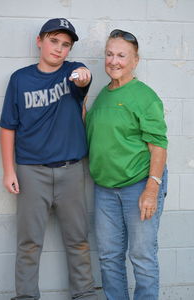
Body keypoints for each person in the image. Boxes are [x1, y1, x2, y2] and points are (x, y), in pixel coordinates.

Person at [0, 18, 98, 300]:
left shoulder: (73, 73)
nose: (59, 49)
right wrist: (9, 171)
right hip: (31, 171)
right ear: (40, 41)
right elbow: (8, 127)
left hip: (71, 170)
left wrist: (84, 78)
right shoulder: (20, 79)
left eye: (65, 45)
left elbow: (84, 79)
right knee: (29, 243)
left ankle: (85, 294)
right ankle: (27, 296)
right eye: (54, 41)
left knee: (78, 239)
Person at [86, 29, 168, 300]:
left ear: (135, 60)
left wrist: (152, 189)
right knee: (109, 257)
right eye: (109, 54)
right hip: (105, 189)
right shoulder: (103, 95)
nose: (114, 61)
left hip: (139, 185)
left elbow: (158, 146)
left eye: (122, 55)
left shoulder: (144, 96)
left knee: (142, 256)